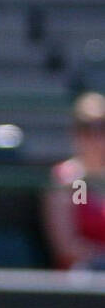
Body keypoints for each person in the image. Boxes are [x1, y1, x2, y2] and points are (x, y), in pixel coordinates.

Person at [43, 92, 105, 270]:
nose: (96, 136)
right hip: (84, 274)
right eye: (87, 127)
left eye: (102, 127)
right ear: (75, 132)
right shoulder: (67, 179)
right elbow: (67, 247)